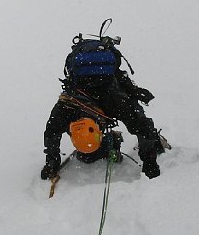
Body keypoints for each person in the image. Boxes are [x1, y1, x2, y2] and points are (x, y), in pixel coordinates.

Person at [41, 23, 167, 180]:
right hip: (109, 93)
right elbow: (142, 126)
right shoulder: (73, 106)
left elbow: (51, 132)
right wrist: (150, 164)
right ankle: (135, 143)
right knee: (136, 122)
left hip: (106, 93)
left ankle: (143, 144)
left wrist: (51, 162)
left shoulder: (67, 107)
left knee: (90, 156)